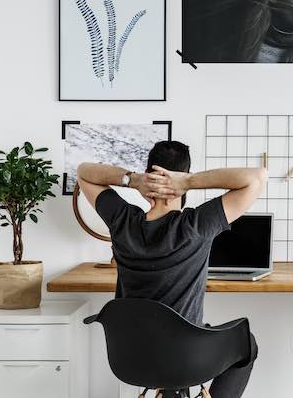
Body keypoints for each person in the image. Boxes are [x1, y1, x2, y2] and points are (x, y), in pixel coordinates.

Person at [77, 140, 267, 398]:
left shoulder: (121, 220)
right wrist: (188, 182)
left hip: (131, 359)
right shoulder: (196, 226)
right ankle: (177, 390)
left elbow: (84, 172)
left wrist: (132, 180)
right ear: (182, 174)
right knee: (247, 343)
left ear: (148, 174)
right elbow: (256, 178)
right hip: (187, 361)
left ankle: (174, 393)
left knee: (182, 335)